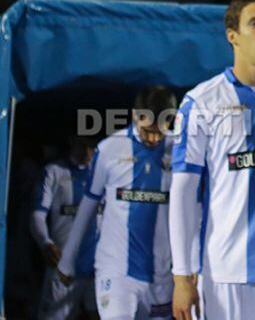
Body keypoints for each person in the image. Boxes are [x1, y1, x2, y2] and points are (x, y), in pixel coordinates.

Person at [170, 0, 255, 320]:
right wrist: (182, 275)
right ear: (233, 36)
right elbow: (183, 192)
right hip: (227, 273)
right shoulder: (201, 102)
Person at [58, 86, 177, 320]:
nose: (153, 138)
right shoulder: (110, 149)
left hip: (162, 276)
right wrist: (67, 258)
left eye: (159, 131)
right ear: (135, 115)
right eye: (146, 130)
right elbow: (88, 207)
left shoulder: (181, 151)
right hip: (116, 270)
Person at [31, 135, 99, 320]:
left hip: (99, 267)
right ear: (71, 140)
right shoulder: (54, 171)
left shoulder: (106, 174)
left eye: (91, 146)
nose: (87, 151)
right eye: (82, 144)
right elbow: (37, 214)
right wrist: (46, 243)